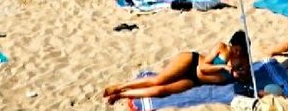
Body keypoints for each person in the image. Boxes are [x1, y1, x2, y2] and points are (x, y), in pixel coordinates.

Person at [103, 30, 251, 105]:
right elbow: (203, 68)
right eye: (236, 48)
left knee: (161, 91)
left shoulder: (243, 61)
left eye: (240, 51)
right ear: (233, 43)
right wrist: (224, 68)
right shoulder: (222, 47)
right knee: (158, 80)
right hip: (190, 62)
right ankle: (121, 86)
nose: (237, 52)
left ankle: (122, 94)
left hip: (195, 81)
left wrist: (240, 75)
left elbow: (246, 78)